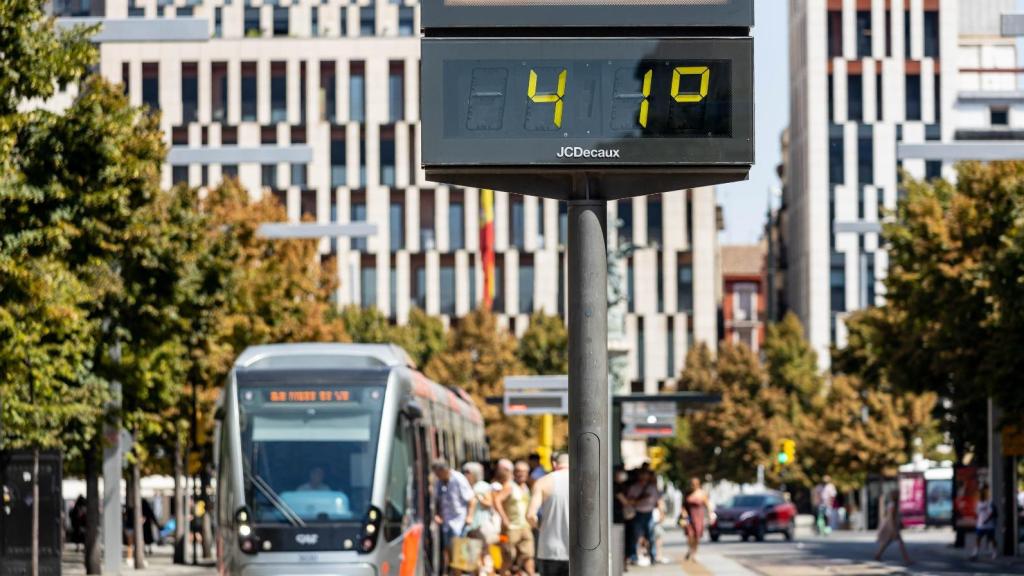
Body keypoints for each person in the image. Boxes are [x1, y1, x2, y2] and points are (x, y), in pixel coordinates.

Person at [527, 453, 569, 576]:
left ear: (554, 464)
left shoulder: (543, 482)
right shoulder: (582, 480)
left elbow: (530, 515)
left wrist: (540, 527)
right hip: (577, 550)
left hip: (549, 548)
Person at [433, 459, 474, 574]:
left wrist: (469, 517)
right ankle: (454, 572)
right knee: (449, 550)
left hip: (460, 521)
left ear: (444, 470)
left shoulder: (459, 479)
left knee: (460, 551)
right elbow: (438, 500)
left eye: (438, 473)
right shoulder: (439, 482)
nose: (437, 476)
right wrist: (438, 514)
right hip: (447, 522)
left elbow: (471, 499)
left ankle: (462, 573)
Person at [495, 460, 535, 576]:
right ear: (514, 473)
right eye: (518, 471)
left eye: (524, 471)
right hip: (511, 528)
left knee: (528, 555)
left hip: (525, 527)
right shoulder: (509, 486)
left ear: (528, 473)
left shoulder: (526, 487)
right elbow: (497, 500)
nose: (521, 474)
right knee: (508, 557)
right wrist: (504, 518)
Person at [624, 467, 660, 565]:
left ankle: (652, 556)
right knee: (635, 535)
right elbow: (628, 501)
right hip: (637, 513)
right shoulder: (634, 487)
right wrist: (641, 499)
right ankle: (633, 556)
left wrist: (661, 512)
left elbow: (658, 501)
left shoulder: (653, 487)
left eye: (646, 474)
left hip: (649, 513)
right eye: (642, 474)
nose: (644, 476)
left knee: (651, 535)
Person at [874, 491, 911, 565]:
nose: (899, 496)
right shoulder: (893, 505)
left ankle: (878, 555)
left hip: (891, 526)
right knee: (900, 543)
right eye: (898, 495)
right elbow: (891, 518)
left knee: (886, 543)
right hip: (891, 527)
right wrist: (893, 529)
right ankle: (907, 559)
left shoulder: (892, 504)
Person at [680, 477, 708, 562]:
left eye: (695, 484)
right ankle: (690, 549)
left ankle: (694, 553)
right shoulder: (687, 493)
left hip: (699, 517)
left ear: (698, 484)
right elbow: (683, 505)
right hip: (688, 517)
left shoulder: (702, 493)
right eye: (692, 484)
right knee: (690, 535)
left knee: (696, 536)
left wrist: (710, 515)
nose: (693, 485)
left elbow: (707, 504)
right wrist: (684, 514)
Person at [972, 487, 998, 561]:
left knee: (992, 539)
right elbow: (977, 513)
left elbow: (992, 513)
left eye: (981, 494)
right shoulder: (978, 503)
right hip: (980, 525)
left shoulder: (989, 502)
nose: (980, 495)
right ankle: (975, 553)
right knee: (978, 538)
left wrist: (986, 520)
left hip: (989, 525)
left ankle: (994, 552)